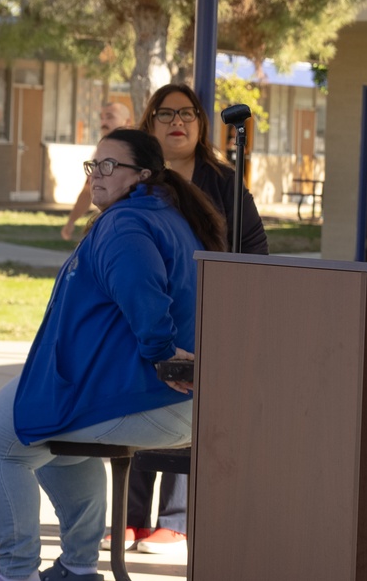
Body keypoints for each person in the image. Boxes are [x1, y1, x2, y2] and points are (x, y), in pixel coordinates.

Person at [0, 129, 226, 581]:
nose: (97, 175)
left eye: (110, 166)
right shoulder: (162, 213)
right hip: (168, 399)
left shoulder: (126, 222)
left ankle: (15, 573)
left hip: (151, 393)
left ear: (142, 175)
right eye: (94, 165)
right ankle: (77, 568)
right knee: (56, 449)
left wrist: (161, 353)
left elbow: (142, 292)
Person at [110, 83, 268, 554]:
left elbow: (254, 245)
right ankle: (129, 516)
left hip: (206, 312)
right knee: (138, 404)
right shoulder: (134, 178)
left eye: (188, 113)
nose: (177, 121)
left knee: (187, 406)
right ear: (149, 123)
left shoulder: (222, 180)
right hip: (144, 311)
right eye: (165, 114)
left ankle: (175, 520)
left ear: (201, 124)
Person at [60, 102, 133, 240]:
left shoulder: (137, 152)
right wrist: (71, 221)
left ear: (127, 121)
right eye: (101, 117)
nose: (103, 122)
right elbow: (88, 191)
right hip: (107, 226)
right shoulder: (100, 153)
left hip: (129, 226)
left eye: (110, 117)